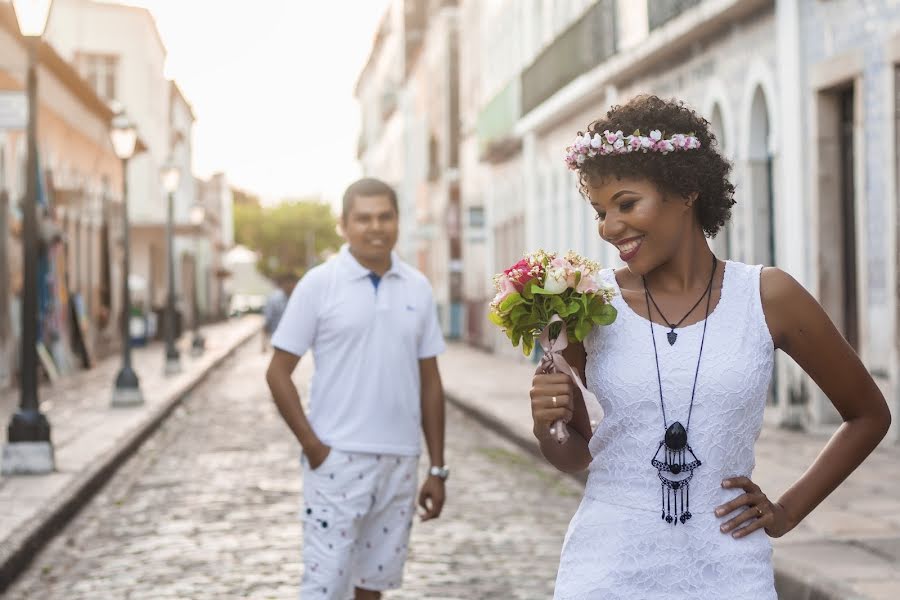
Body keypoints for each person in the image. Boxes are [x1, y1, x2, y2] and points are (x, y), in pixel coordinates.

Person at [530, 95, 891, 599]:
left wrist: (786, 512)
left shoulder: (769, 297)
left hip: (728, 567)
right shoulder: (588, 304)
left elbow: (868, 415)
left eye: (626, 204)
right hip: (608, 566)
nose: (608, 227)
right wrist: (549, 423)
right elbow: (575, 456)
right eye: (599, 211)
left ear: (686, 191)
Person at [265, 177, 449, 600]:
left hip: (400, 463)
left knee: (374, 586)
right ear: (344, 225)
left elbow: (431, 382)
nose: (375, 227)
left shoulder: (418, 288)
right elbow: (278, 372)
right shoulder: (319, 284)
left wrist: (436, 468)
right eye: (363, 218)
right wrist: (314, 446)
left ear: (398, 221)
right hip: (337, 460)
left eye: (385, 216)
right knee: (324, 587)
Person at [262, 273, 296, 352]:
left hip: (293, 341)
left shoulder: (297, 298)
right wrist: (263, 344)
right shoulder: (274, 299)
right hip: (278, 340)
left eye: (293, 283)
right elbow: (267, 322)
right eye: (289, 283)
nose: (291, 285)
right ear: (283, 284)